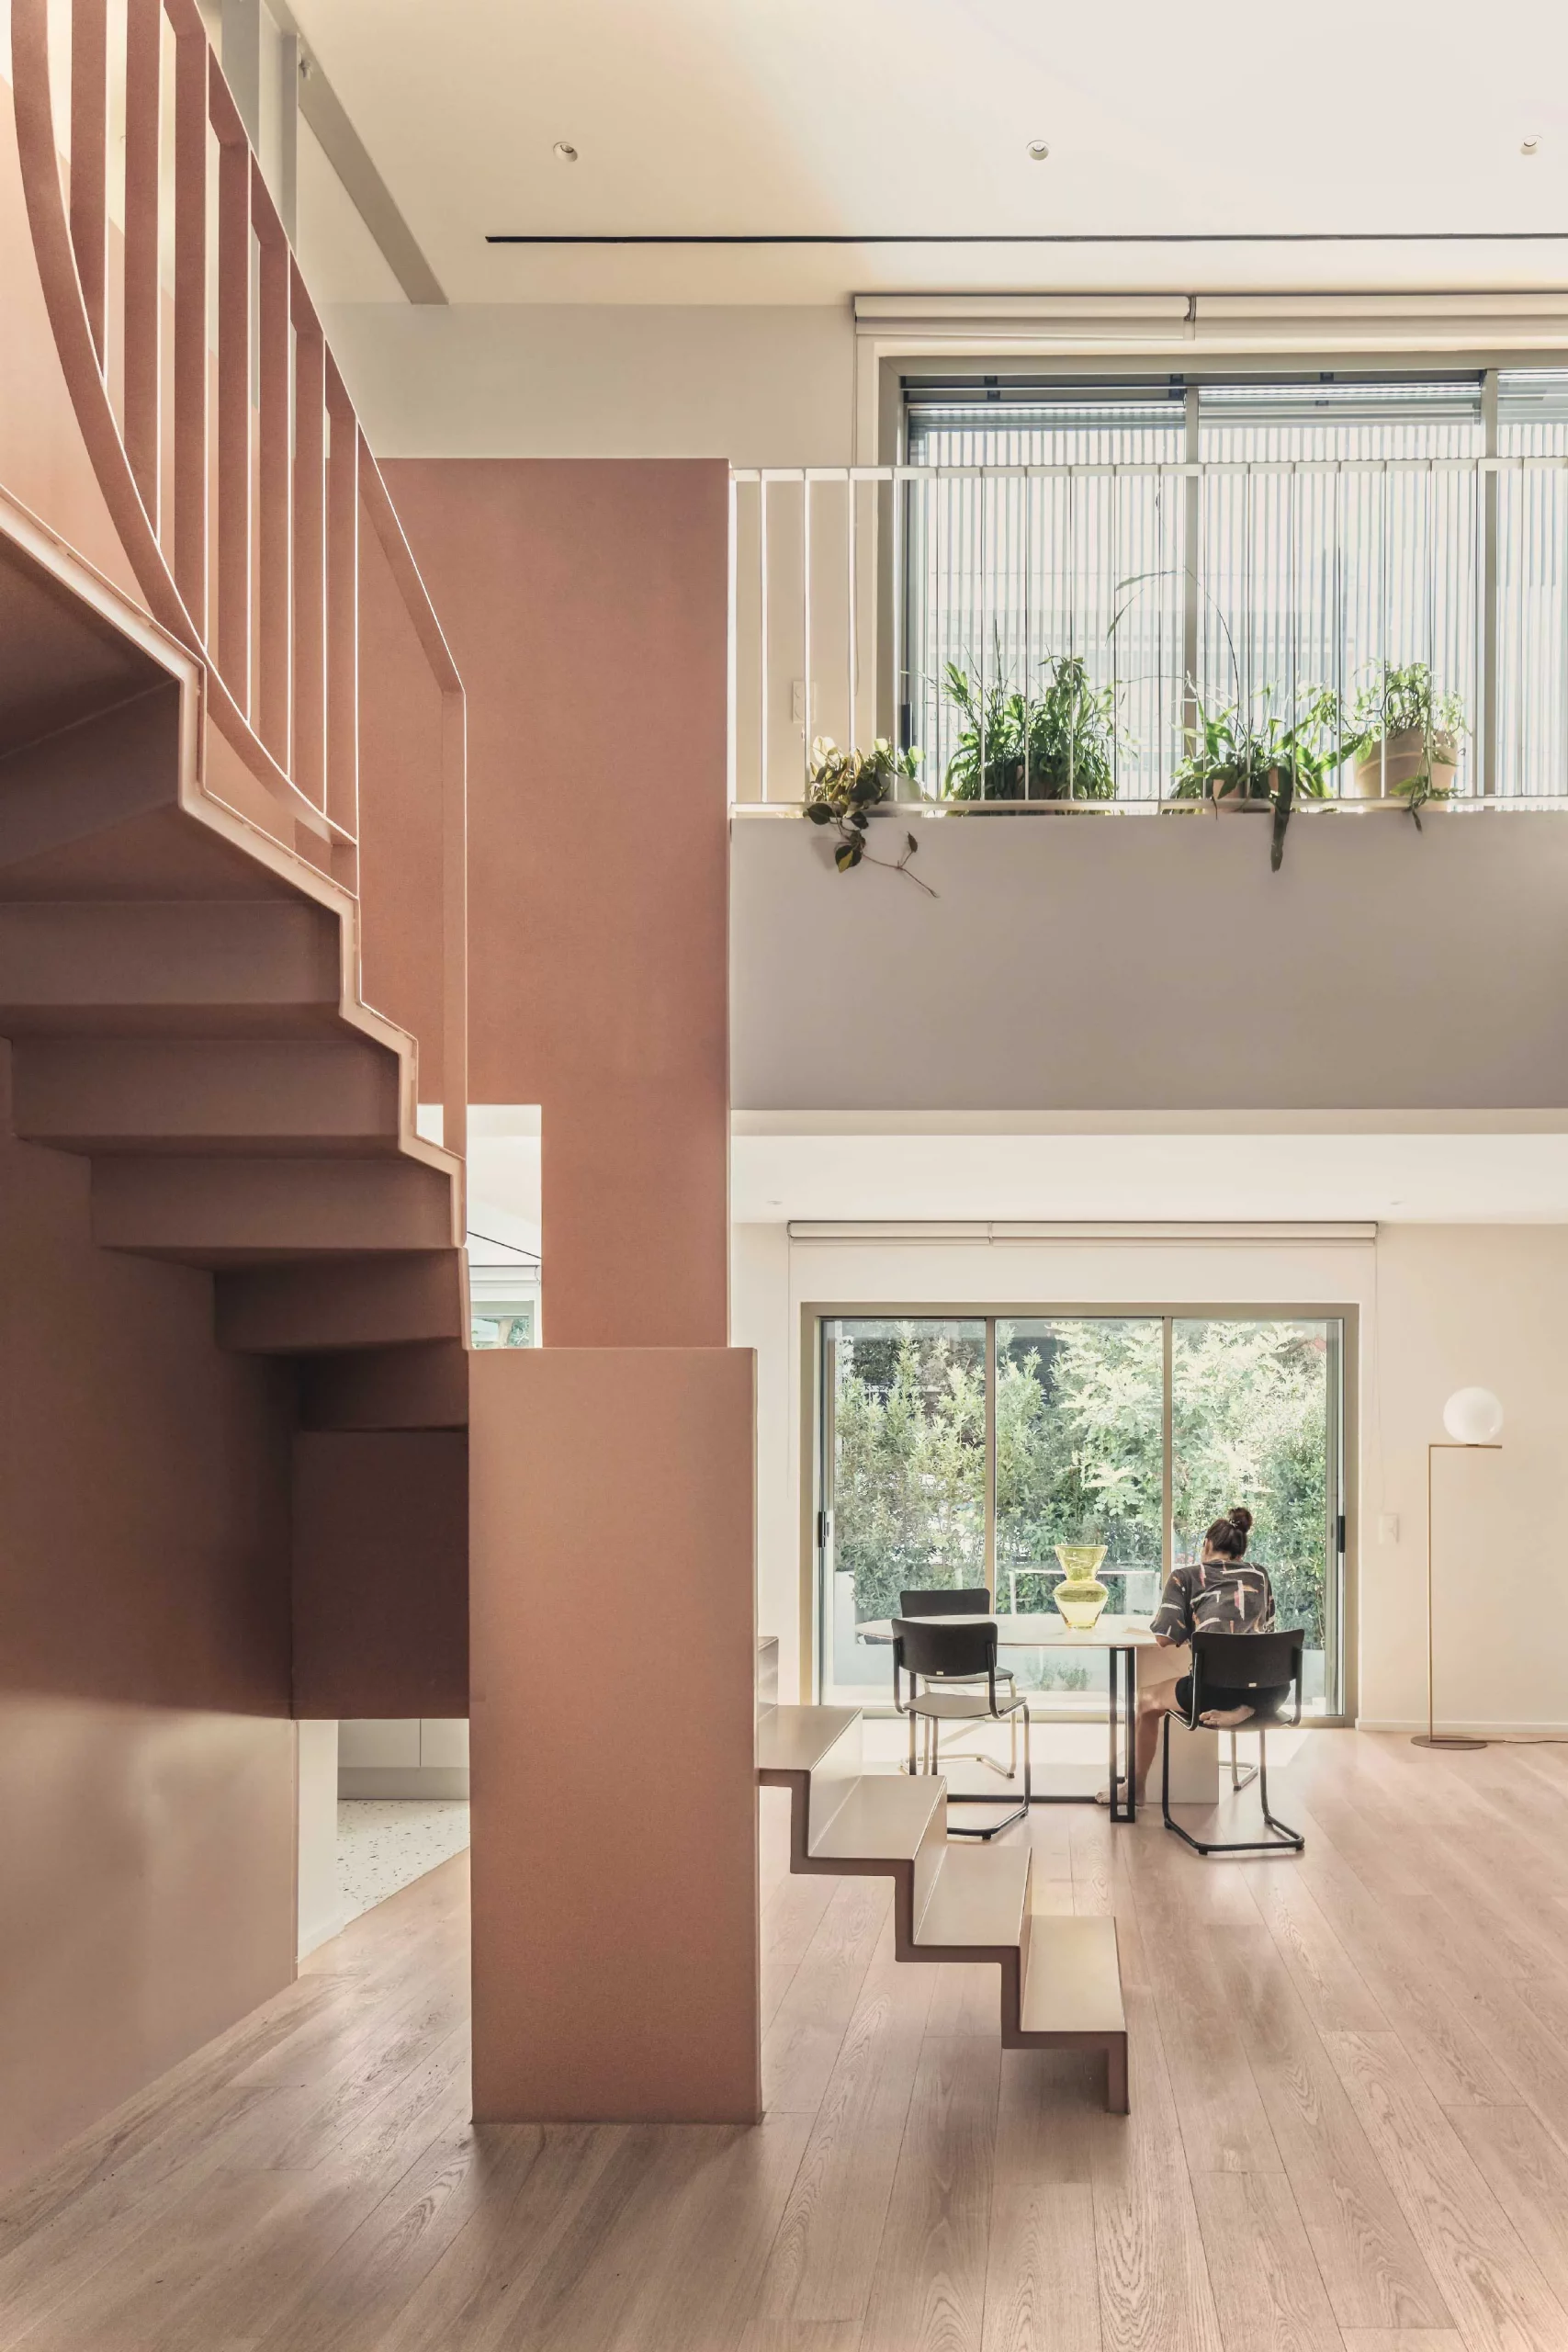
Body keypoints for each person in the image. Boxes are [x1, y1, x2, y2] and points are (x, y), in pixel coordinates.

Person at [1099, 1505, 1285, 1806]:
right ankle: (1246, 1706)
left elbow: (1163, 1638)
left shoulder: (1186, 1577)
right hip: (1270, 1689)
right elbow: (1268, 1628)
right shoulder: (1260, 1575)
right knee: (1241, 1679)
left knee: (1145, 1701)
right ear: (1241, 1552)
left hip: (1210, 1691)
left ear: (1207, 1545)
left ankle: (1134, 1788)